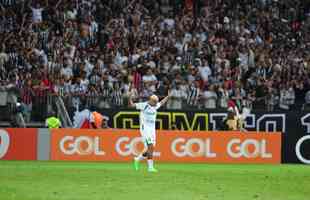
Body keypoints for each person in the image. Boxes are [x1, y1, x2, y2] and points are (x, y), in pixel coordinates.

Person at [129, 92, 170, 173]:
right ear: (151, 100)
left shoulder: (155, 106)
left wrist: (168, 96)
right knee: (150, 146)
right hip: (145, 128)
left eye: (156, 102)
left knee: (150, 149)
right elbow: (132, 105)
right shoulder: (144, 105)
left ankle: (137, 159)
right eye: (155, 102)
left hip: (152, 130)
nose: (156, 103)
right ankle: (150, 167)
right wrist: (129, 97)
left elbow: (161, 103)